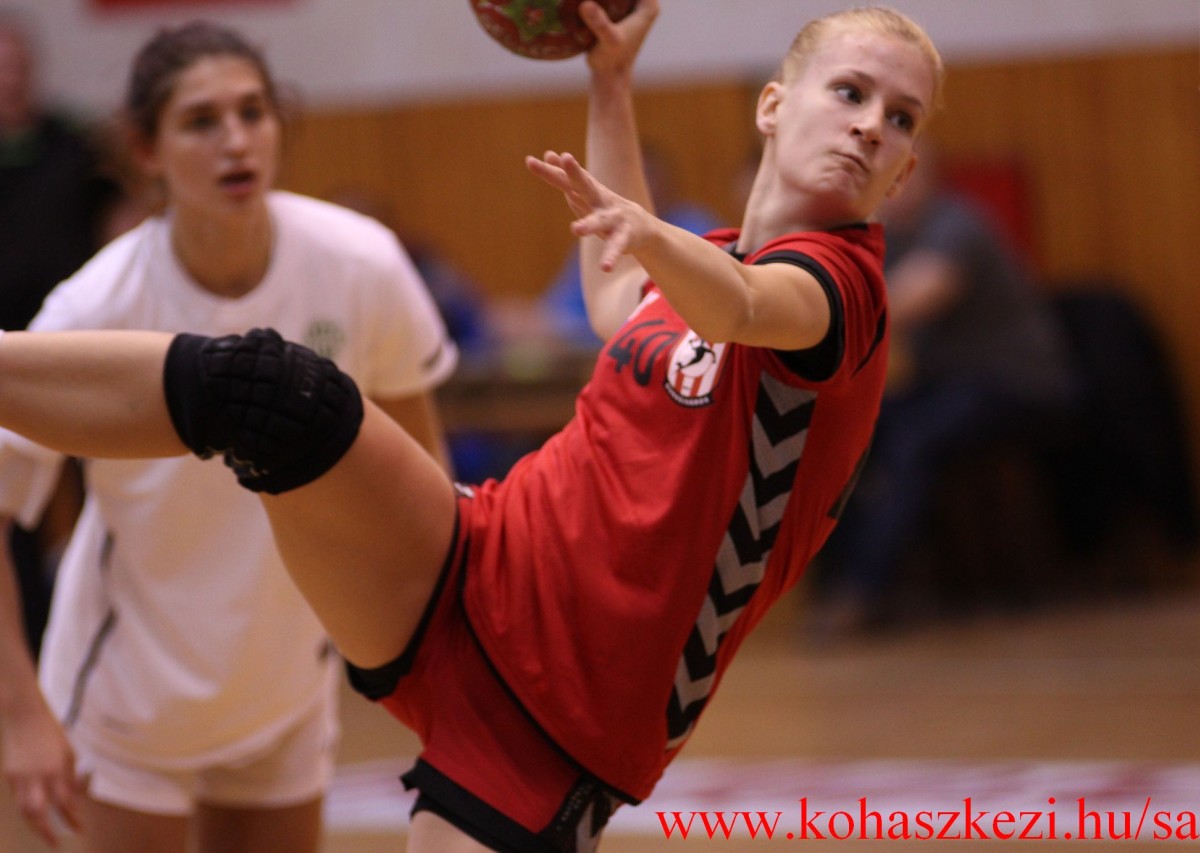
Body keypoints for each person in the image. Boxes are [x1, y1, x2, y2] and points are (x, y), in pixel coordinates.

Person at [0, 2, 941, 849]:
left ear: (902, 172)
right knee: (268, 390)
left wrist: (652, 232)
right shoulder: (709, 258)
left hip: (566, 712)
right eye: (850, 92)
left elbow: (743, 305)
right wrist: (609, 82)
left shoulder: (843, 287)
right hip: (475, 563)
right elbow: (618, 286)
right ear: (773, 105)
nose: (871, 124)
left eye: (902, 119)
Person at [0, 21, 456, 853]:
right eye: (202, 121)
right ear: (146, 147)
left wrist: (443, 669)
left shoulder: (361, 264)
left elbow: (427, 485)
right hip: (129, 694)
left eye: (253, 111)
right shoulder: (94, 307)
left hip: (283, 681)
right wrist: (22, 716)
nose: (236, 140)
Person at [808, 142, 1078, 636]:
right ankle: (846, 584)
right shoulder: (886, 236)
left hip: (1016, 383)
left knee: (913, 440)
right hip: (949, 386)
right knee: (848, 435)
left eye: (895, 176)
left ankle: (864, 593)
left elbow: (903, 302)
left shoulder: (956, 226)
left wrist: (811, 318)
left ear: (921, 174)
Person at [0, 13, 122, 660]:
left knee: (107, 483)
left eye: (16, 66)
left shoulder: (73, 144)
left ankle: (106, 620)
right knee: (11, 503)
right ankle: (28, 637)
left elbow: (120, 218)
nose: (8, 80)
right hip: (5, 358)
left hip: (81, 350)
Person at [538, 139, 720, 350]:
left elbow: (685, 311)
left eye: (648, 175)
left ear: (668, 183)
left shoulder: (696, 227)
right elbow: (561, 311)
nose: (641, 186)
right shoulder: (600, 230)